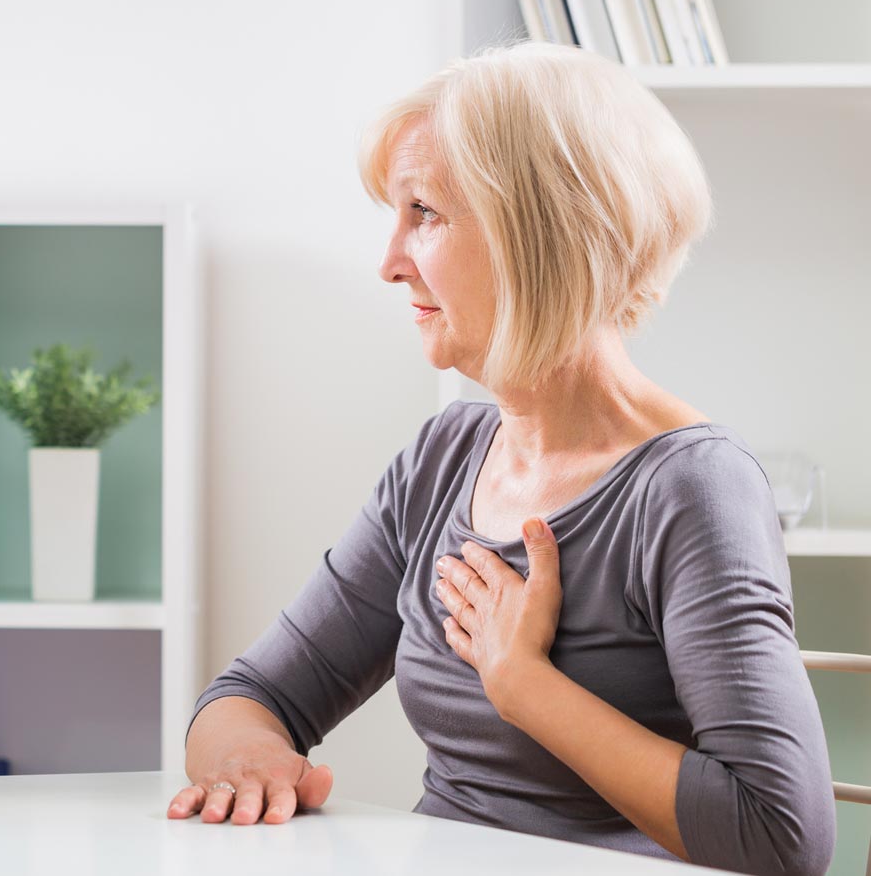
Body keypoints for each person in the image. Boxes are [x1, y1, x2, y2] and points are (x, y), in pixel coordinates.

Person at [169, 43, 834, 876]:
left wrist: (526, 687)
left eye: (424, 213)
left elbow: (783, 836)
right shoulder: (443, 459)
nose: (389, 262)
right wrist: (249, 763)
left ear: (536, 233)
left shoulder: (693, 488)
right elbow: (251, 696)